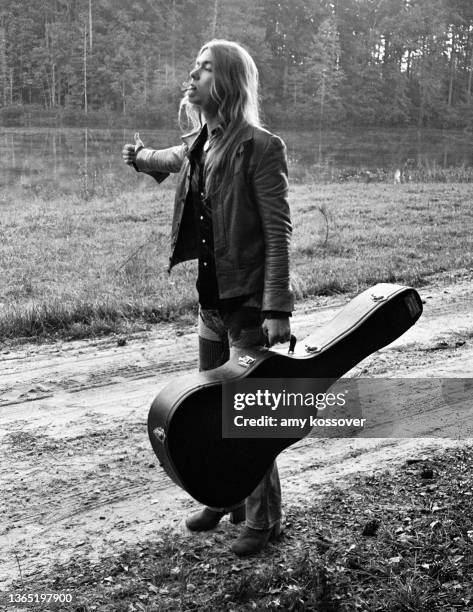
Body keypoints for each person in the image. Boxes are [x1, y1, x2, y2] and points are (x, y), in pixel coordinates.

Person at [122, 39, 294, 557]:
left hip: (247, 306)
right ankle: (227, 499)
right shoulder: (201, 142)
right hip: (210, 306)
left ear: (228, 82)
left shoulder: (260, 146)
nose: (191, 75)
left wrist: (276, 309)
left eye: (204, 69)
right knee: (211, 412)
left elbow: (278, 230)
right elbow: (168, 158)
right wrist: (139, 159)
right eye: (193, 66)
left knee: (250, 418)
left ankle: (264, 520)